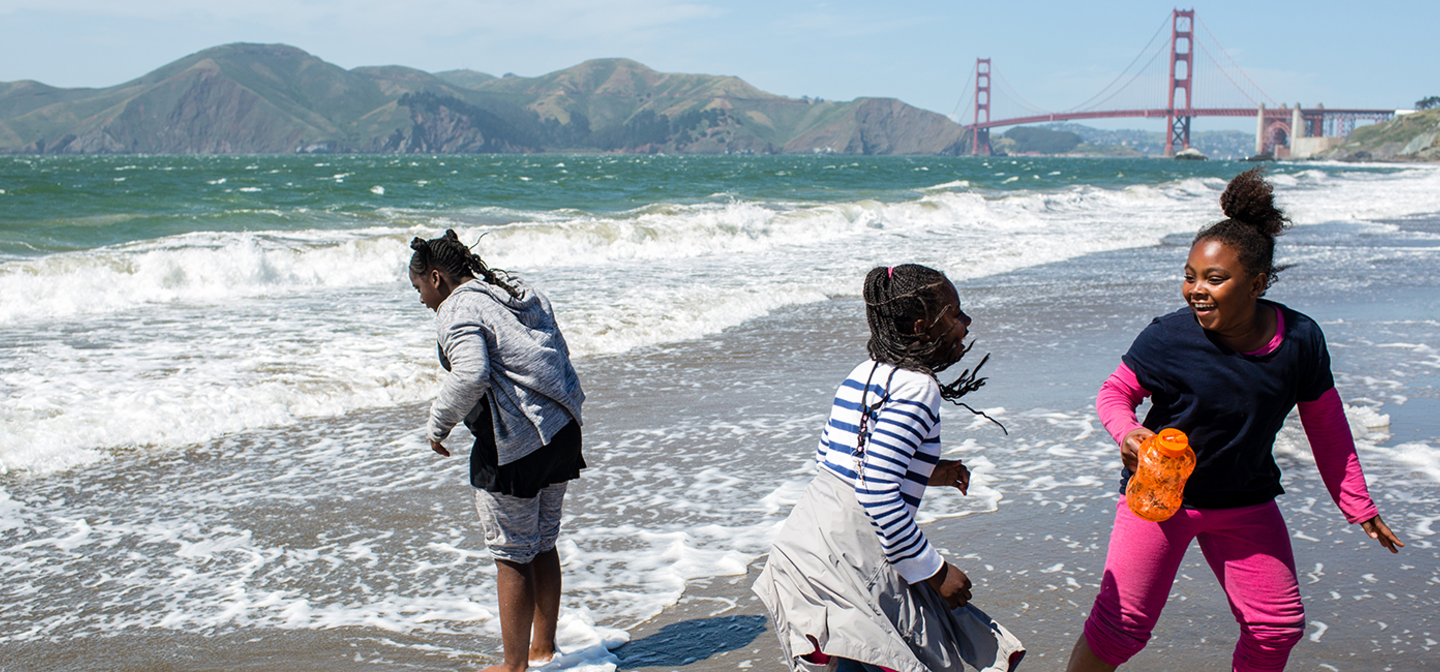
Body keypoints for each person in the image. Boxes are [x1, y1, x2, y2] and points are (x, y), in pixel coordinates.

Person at [1066, 168, 1404, 672]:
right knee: (1121, 629)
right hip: (1161, 496)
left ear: (1257, 283)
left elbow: (1326, 424)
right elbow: (1115, 393)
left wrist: (1357, 503)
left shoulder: (1300, 341)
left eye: (1215, 279)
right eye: (1189, 276)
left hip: (1246, 501)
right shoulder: (1169, 337)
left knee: (1277, 627)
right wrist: (1129, 432)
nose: (1196, 290)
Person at [754, 264, 1024, 672]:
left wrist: (929, 471)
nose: (966, 323)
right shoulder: (919, 388)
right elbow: (876, 490)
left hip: (809, 537)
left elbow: (837, 459)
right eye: (955, 314)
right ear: (921, 328)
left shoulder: (864, 372)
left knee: (855, 656)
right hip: (857, 549)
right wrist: (935, 571)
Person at [408, 230, 586, 672]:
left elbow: (471, 373)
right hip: (562, 429)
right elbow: (556, 351)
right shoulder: (515, 291)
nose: (422, 300)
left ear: (436, 277)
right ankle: (542, 649)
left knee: (511, 555)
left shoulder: (457, 308)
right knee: (542, 542)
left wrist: (438, 424)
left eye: (419, 288)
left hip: (516, 447)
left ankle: (513, 666)